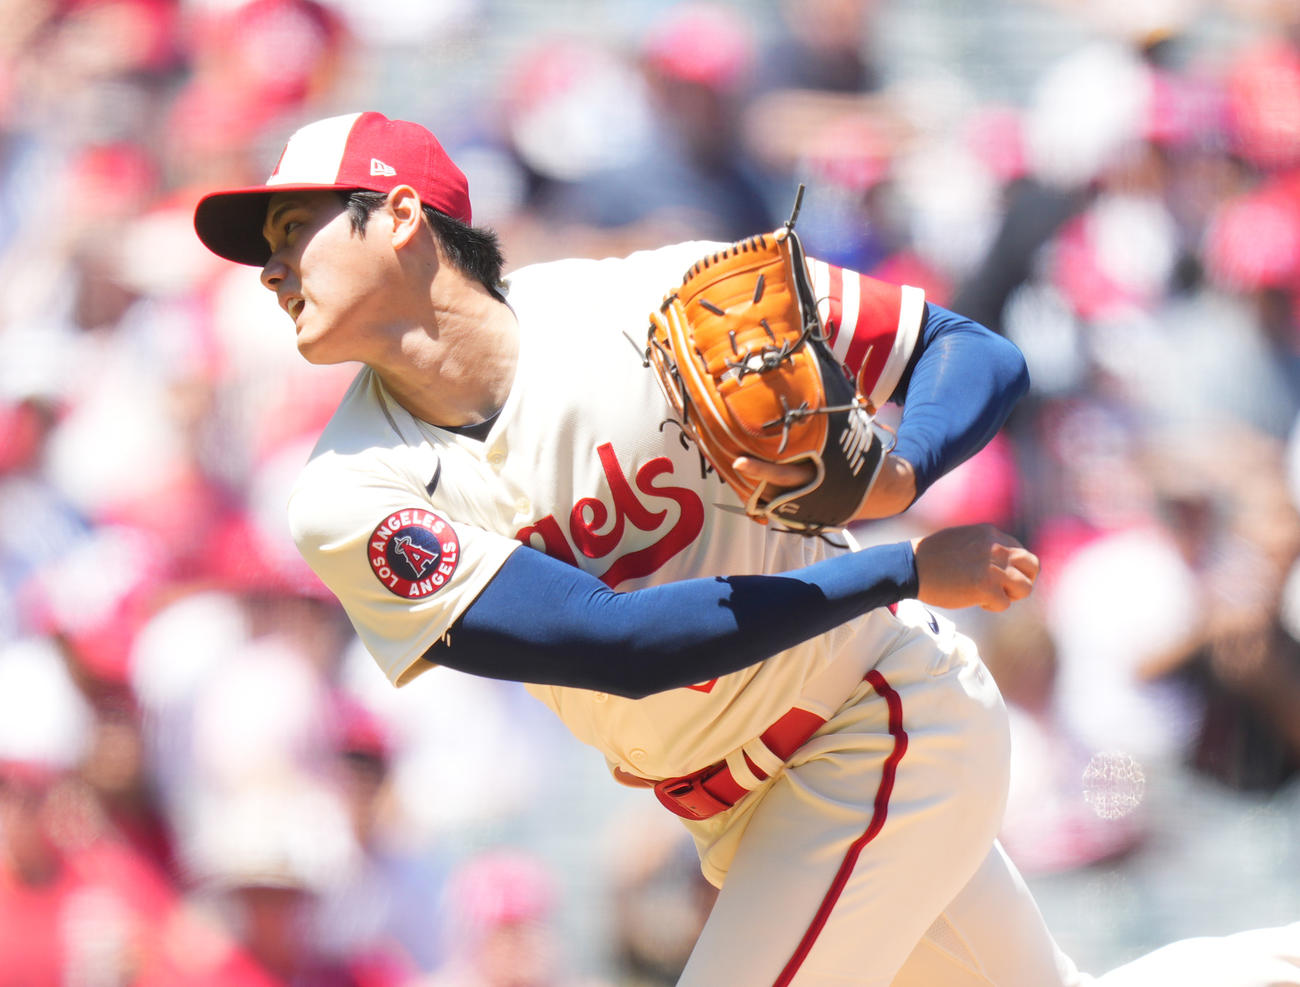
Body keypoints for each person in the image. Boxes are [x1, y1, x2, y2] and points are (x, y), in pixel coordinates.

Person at [193, 111, 1298, 986]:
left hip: (876, 717)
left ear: (396, 217)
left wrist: (897, 473)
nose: (271, 268)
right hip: (736, 803)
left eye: (294, 232)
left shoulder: (644, 303)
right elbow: (619, 645)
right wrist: (900, 559)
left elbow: (971, 354)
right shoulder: (347, 493)